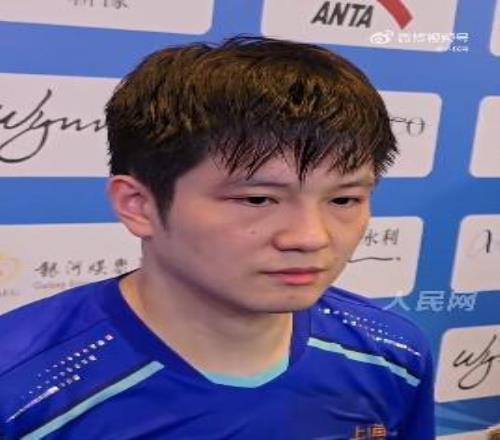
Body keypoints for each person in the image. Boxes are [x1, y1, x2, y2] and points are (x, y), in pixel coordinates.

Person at [0, 36, 435, 439]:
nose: (310, 237)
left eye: (343, 199)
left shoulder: (393, 353)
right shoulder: (24, 389)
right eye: (258, 199)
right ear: (138, 204)